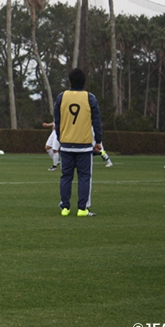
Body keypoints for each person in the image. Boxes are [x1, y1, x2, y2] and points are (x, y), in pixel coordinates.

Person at [54, 68, 103, 217]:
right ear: (84, 82)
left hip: (67, 144)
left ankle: (65, 207)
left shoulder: (61, 97)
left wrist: (60, 138)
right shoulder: (90, 98)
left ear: (69, 81)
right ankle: (82, 209)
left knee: (66, 176)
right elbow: (97, 122)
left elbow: (57, 120)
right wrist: (98, 141)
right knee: (84, 177)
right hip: (84, 146)